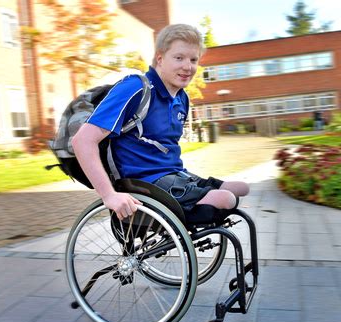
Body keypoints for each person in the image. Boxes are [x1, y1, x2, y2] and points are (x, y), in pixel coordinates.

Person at [72, 24, 249, 221]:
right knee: (226, 199)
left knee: (242, 188)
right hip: (144, 182)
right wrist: (109, 195)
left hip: (175, 175)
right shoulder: (135, 88)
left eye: (193, 60)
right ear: (160, 58)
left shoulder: (182, 98)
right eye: (179, 58)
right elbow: (82, 141)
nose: (188, 67)